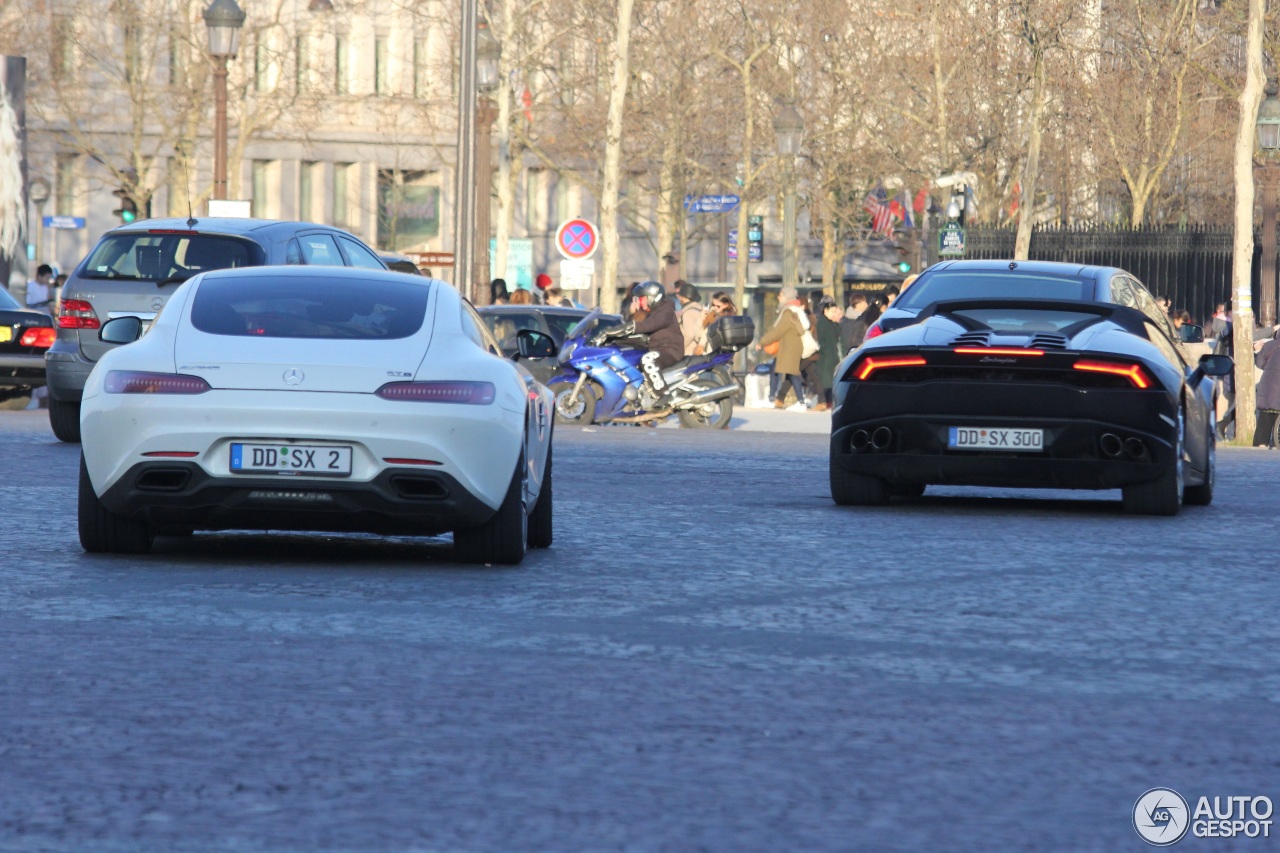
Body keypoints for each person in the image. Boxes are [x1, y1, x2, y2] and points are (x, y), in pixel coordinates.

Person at [598, 281, 683, 393]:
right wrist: (612, 338)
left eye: (641, 299)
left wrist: (627, 327)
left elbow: (647, 325)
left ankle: (663, 395)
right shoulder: (654, 311)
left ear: (653, 297)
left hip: (669, 350)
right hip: (656, 349)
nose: (639, 302)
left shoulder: (665, 310)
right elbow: (638, 334)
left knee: (647, 360)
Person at [758, 286, 807, 411]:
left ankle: (801, 402)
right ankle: (772, 398)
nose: (778, 297)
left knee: (791, 374)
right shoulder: (794, 310)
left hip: (789, 347)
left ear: (787, 297)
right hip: (788, 347)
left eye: (781, 295)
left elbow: (778, 331)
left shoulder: (788, 312)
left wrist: (763, 342)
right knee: (778, 371)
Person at [814, 297, 842, 411]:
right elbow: (822, 340)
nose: (834, 314)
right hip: (826, 355)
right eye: (832, 312)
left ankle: (828, 401)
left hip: (831, 355)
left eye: (835, 311)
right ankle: (825, 401)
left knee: (829, 379)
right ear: (825, 311)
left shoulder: (832, 323)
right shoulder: (822, 323)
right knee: (825, 379)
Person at [1255, 326, 1280, 447]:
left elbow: (1259, 363)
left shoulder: (1269, 346)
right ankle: (1277, 444)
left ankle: (1260, 445)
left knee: (1264, 419)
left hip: (1268, 389)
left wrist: (1258, 351)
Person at [674, 281, 708, 355]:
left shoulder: (689, 312)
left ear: (683, 297)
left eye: (680, 296)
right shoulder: (698, 309)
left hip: (689, 353)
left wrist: (677, 349)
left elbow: (689, 334)